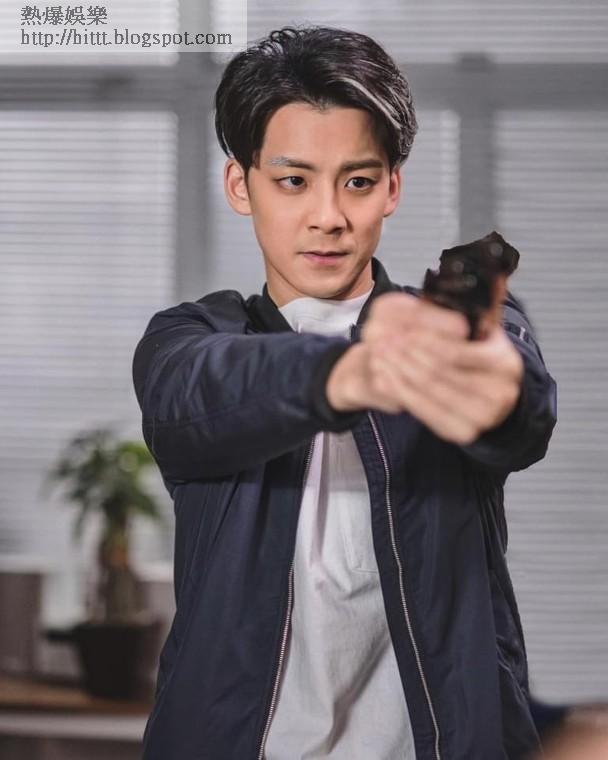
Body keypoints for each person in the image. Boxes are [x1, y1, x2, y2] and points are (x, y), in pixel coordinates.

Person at [132, 24, 557, 760]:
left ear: (391, 187)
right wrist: (350, 371)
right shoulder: (190, 338)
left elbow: (521, 407)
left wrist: (491, 388)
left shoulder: (467, 329)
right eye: (293, 181)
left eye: (357, 181)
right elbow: (194, 401)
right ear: (241, 185)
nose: (328, 216)